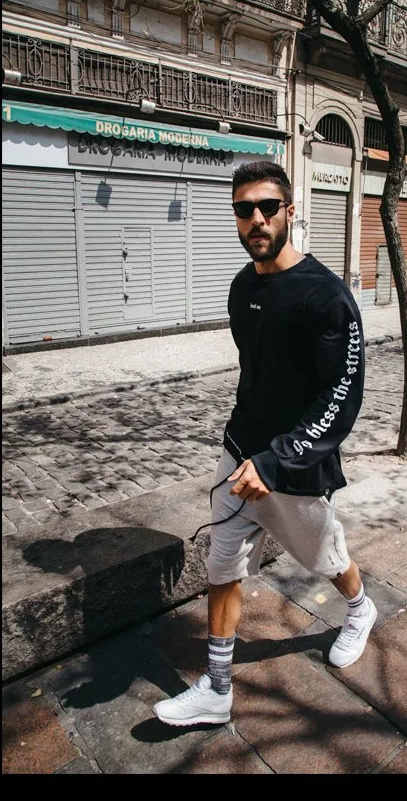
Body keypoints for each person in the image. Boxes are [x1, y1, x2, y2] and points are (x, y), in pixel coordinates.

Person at [154, 161, 373, 727]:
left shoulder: (326, 296)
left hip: (295, 465)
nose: (256, 218)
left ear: (289, 212)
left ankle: (359, 608)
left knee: (325, 557)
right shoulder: (242, 286)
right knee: (222, 561)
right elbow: (255, 374)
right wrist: (244, 448)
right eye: (243, 209)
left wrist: (278, 460)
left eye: (267, 207)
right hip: (240, 451)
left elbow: (341, 396)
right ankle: (217, 688)